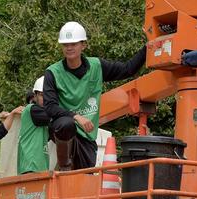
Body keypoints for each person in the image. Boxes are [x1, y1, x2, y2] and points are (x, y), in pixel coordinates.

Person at [44, 21, 147, 170]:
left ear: (83, 45)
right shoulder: (53, 72)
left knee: (85, 177)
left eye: (73, 43)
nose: (69, 47)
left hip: (87, 134)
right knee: (65, 124)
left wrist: (147, 47)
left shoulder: (96, 66)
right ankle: (64, 167)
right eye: (65, 44)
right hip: (66, 131)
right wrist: (76, 116)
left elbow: (128, 69)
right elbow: (50, 107)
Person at [18, 76, 51, 174]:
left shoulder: (44, 119)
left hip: (40, 166)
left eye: (49, 95)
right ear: (34, 96)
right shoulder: (32, 109)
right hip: (31, 166)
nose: (46, 99)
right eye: (42, 95)